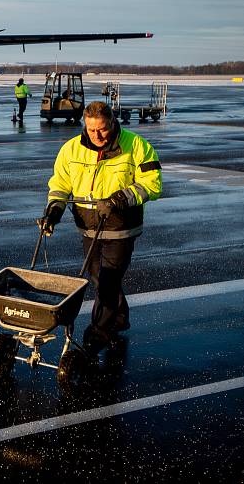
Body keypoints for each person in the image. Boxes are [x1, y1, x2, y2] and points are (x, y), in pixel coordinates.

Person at [39, 101, 162, 356]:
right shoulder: (71, 149)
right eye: (92, 129)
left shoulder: (136, 146)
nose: (97, 136)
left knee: (107, 281)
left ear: (113, 123)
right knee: (98, 278)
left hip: (121, 227)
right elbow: (60, 184)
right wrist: (54, 211)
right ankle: (118, 317)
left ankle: (98, 333)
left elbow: (152, 184)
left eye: (103, 130)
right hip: (88, 227)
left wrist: (120, 199)